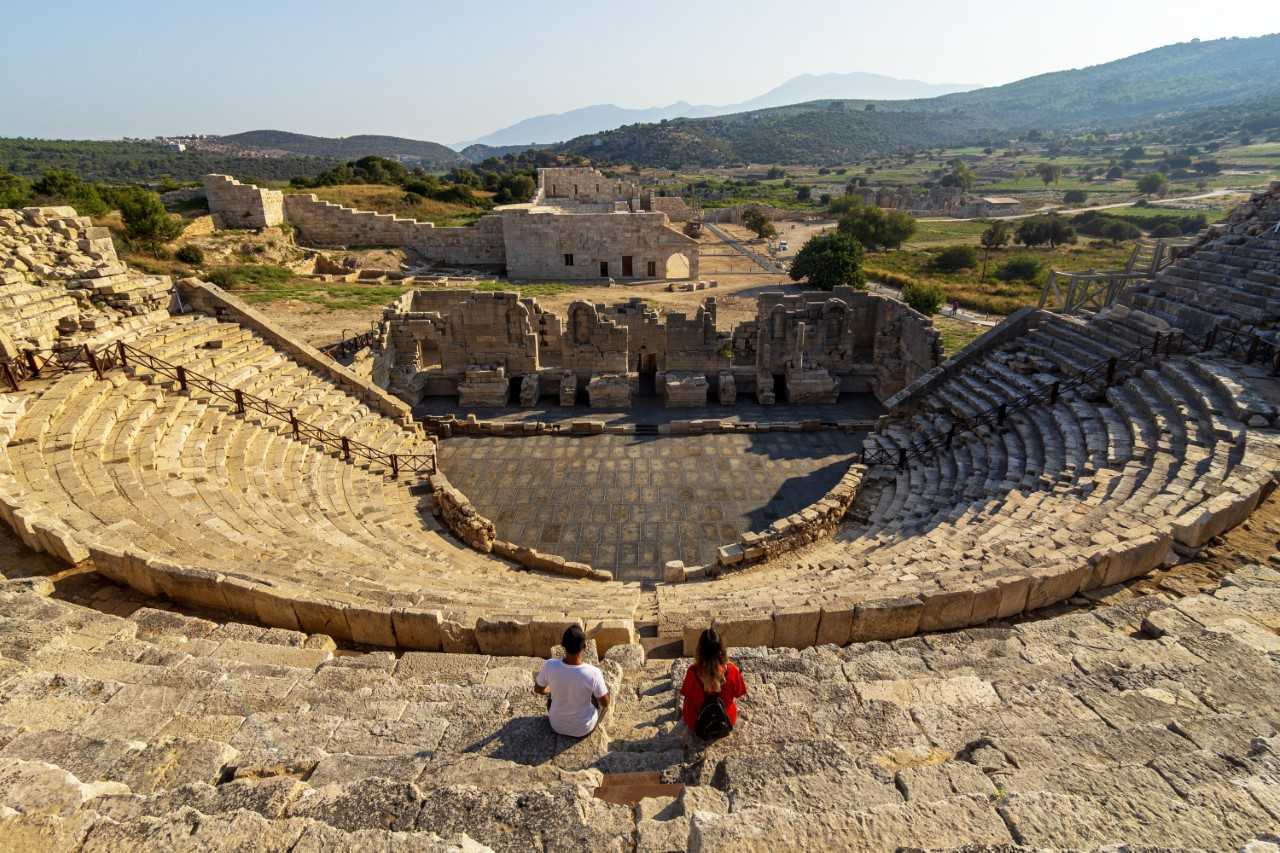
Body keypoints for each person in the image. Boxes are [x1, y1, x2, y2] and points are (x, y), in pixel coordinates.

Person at [534, 625, 610, 737]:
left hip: (557, 725)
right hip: (584, 728)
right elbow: (605, 703)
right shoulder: (593, 672)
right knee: (601, 693)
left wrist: (550, 690)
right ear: (584, 646)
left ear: (562, 645)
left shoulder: (550, 665)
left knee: (552, 696)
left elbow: (538, 689)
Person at [680, 628, 747, 743]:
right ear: (722, 650)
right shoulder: (732, 671)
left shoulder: (692, 672)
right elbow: (739, 692)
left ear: (699, 650)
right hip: (726, 719)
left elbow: (686, 693)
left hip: (696, 722)